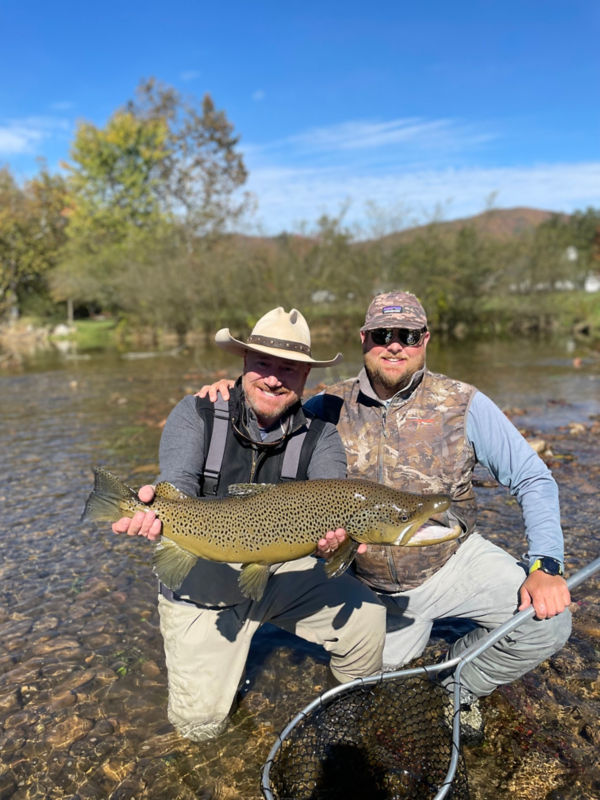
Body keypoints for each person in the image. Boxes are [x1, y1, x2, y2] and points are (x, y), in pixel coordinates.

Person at [200, 291, 572, 736]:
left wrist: (545, 564)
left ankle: (459, 685)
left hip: (451, 562)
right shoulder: (323, 409)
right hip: (369, 588)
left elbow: (533, 479)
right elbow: (262, 420)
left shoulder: (464, 403)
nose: (395, 344)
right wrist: (226, 398)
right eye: (382, 334)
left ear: (425, 339)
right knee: (373, 686)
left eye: (408, 335)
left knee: (547, 622)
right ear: (364, 339)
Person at [111, 306, 385, 742]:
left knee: (368, 616)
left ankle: (346, 719)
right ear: (243, 364)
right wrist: (151, 510)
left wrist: (336, 543)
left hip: (283, 568)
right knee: (199, 729)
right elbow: (176, 485)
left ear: (305, 377)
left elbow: (332, 497)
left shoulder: (322, 436)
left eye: (289, 369)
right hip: (204, 573)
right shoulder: (197, 412)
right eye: (263, 364)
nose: (274, 378)